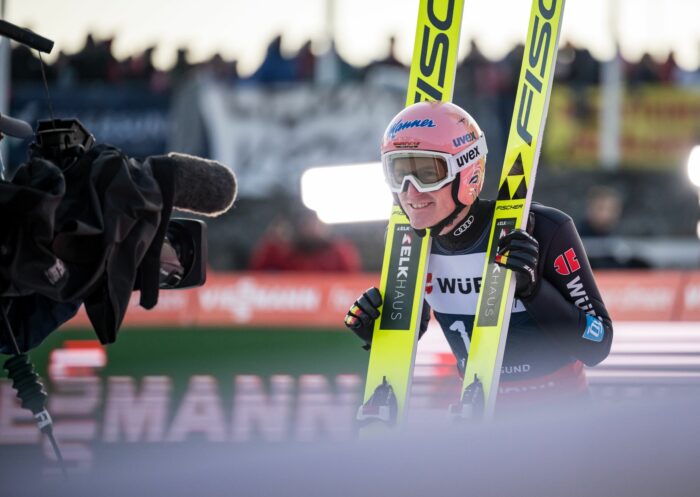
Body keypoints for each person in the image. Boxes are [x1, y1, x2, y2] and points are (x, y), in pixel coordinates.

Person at [344, 101, 613, 407]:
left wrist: (534, 291)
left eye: (428, 174)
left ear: (467, 172)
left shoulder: (542, 228)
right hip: (480, 413)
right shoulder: (409, 241)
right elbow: (412, 328)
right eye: (398, 174)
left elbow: (598, 344)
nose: (411, 191)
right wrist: (376, 330)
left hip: (561, 412)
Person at [249, 204, 361, 272]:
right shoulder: (284, 254)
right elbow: (257, 276)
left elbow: (352, 281)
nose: (311, 228)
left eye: (315, 223)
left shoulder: (338, 253)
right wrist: (272, 239)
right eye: (306, 223)